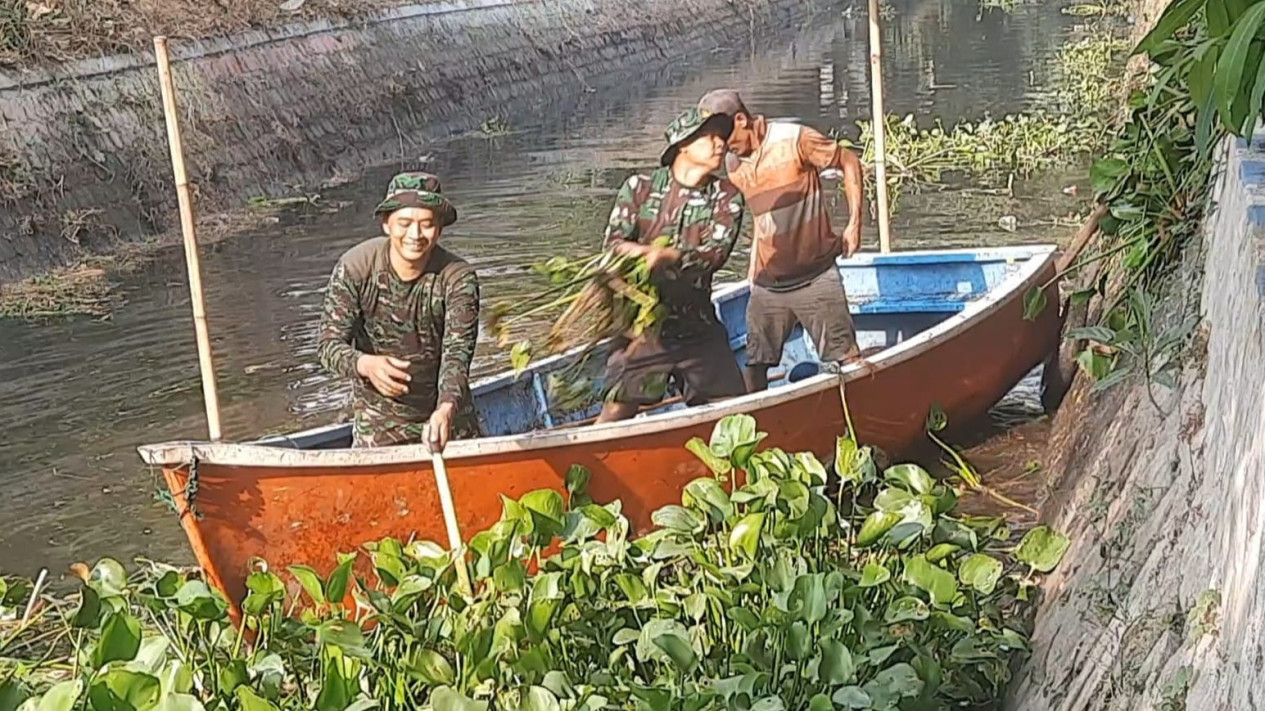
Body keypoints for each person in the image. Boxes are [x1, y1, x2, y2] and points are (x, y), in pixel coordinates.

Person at [697, 89, 866, 392]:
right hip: (767, 284)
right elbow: (759, 217)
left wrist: (854, 223)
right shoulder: (733, 163)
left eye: (724, 134)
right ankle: (757, 423)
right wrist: (752, 272)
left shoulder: (794, 139)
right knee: (756, 361)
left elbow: (849, 162)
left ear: (741, 120)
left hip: (815, 277)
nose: (721, 145)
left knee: (846, 359)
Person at [596, 107, 748, 423]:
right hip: (642, 327)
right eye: (709, 136)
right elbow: (611, 247)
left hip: (697, 327)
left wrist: (671, 257)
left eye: (722, 137)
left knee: (737, 419)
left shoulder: (726, 195)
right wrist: (638, 254)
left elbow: (714, 254)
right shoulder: (639, 188)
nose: (720, 144)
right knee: (615, 411)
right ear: (683, 144)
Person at [317, 172, 481, 450]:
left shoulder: (457, 279)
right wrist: (365, 364)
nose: (415, 235)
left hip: (447, 416)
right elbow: (327, 346)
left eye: (427, 224)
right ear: (386, 224)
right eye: (404, 224)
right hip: (379, 422)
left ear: (439, 229)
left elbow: (457, 358)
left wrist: (445, 410)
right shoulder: (356, 269)